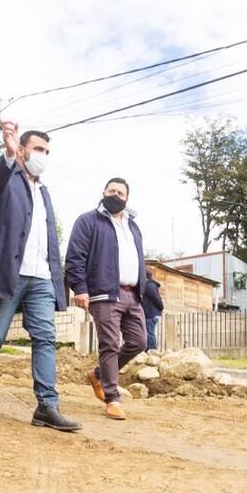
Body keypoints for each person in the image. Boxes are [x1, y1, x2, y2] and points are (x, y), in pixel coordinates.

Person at [0, 125, 81, 432]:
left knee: (45, 338)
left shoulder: (44, 192)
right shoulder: (6, 179)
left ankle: (47, 406)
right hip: (8, 274)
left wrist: (56, 279)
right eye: (39, 149)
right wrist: (8, 155)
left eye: (47, 152)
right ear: (23, 149)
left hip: (40, 278)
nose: (43, 156)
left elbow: (49, 236)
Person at [65, 178, 147, 421]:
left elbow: (139, 258)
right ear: (103, 192)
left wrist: (145, 287)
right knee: (110, 343)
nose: (115, 194)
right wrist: (80, 288)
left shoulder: (133, 226)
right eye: (111, 190)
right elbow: (75, 257)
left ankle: (99, 374)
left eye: (120, 192)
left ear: (126, 198)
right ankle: (112, 397)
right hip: (103, 293)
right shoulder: (88, 221)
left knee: (139, 341)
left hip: (133, 293)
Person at [141, 268, 164, 351]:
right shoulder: (148, 285)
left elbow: (156, 298)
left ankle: (152, 350)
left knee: (149, 332)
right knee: (149, 331)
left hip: (151, 313)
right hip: (151, 312)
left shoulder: (149, 285)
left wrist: (161, 307)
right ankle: (149, 349)